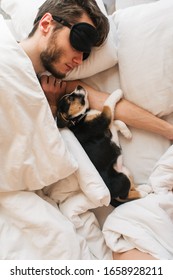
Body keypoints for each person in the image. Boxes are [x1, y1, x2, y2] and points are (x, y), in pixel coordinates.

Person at [19, 0, 170, 259]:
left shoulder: (58, 84)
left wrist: (168, 131)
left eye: (86, 54)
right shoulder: (7, 59)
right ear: (46, 23)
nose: (79, 59)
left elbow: (113, 105)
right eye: (79, 41)